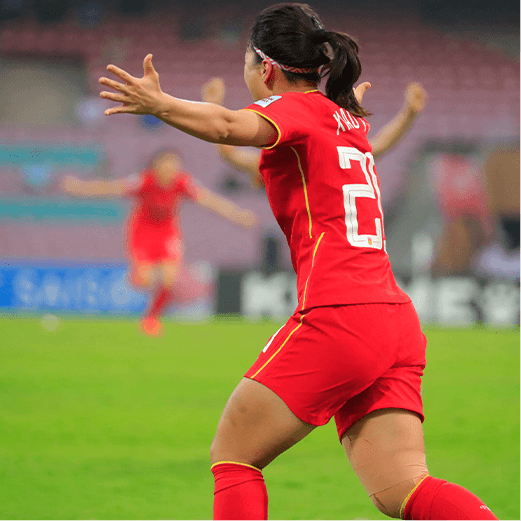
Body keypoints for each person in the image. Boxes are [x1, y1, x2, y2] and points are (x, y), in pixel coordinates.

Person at [98, 3, 499, 519]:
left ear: (266, 68)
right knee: (402, 487)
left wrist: (159, 104)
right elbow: (266, 149)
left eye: (247, 64)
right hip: (393, 319)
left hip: (339, 315)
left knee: (234, 454)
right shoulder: (344, 122)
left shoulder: (297, 110)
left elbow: (226, 126)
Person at [62, 148, 258, 336]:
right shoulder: (144, 180)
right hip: (143, 232)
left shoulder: (182, 182)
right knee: (144, 280)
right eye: (167, 163)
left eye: (175, 164)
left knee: (170, 278)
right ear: (156, 165)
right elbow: (113, 188)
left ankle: (151, 319)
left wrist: (238, 215)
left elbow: (210, 200)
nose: (171, 168)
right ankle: (138, 278)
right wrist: (80, 188)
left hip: (167, 232)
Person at [201, 77, 427, 188]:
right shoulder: (281, 159)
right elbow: (230, 154)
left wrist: (409, 114)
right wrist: (214, 104)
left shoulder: (324, 154)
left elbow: (377, 146)